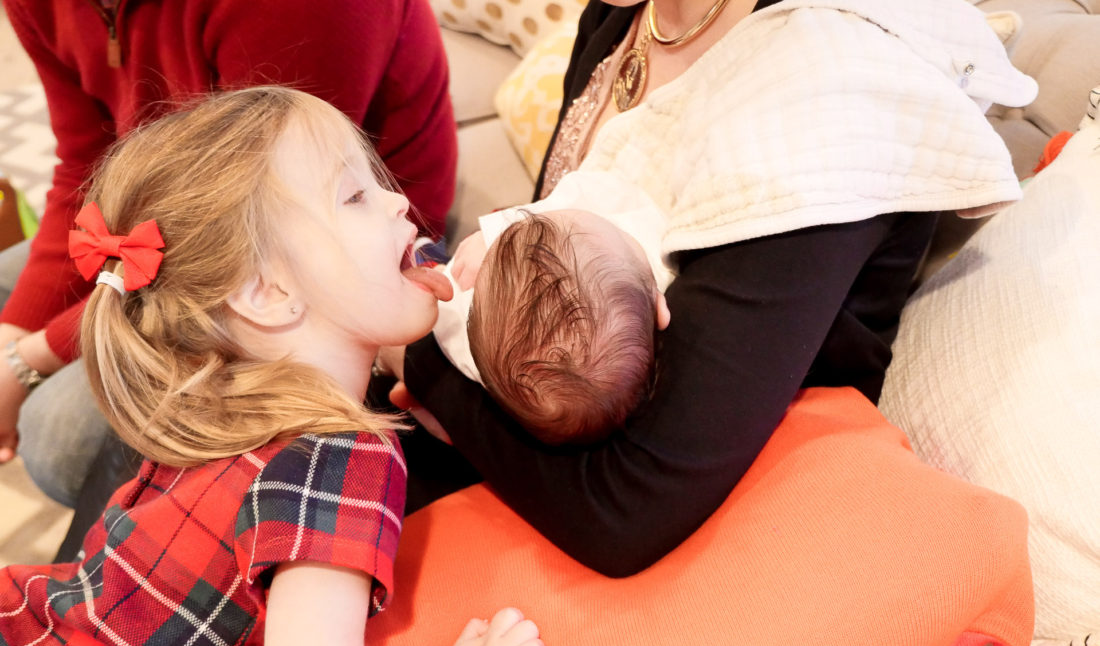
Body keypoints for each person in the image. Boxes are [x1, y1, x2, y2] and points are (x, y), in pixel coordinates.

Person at [0, 86, 545, 646]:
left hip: (37, 643)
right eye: (356, 195)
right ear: (267, 291)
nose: (395, 203)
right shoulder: (341, 454)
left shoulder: (217, 380)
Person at [381, 0, 1039, 576]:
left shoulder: (825, 92)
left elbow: (627, 509)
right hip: (534, 450)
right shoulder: (628, 17)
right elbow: (539, 285)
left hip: (715, 531)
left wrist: (415, 355)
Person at [0, 0, 457, 527]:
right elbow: (85, 169)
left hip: (307, 243)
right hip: (186, 227)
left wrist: (27, 360)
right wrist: (16, 340)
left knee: (56, 436)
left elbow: (263, 238)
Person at [432, 168, 672, 444]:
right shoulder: (658, 245)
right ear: (660, 309)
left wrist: (490, 236)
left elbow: (444, 313)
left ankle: (435, 415)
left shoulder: (483, 348)